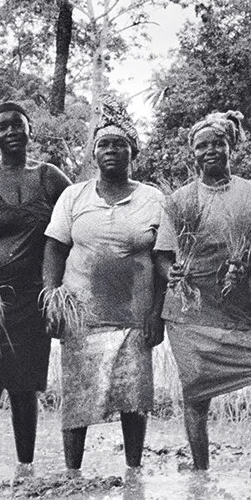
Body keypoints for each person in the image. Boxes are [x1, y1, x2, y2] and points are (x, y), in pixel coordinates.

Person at [153, 110, 251, 472]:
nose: (210, 150)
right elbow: (163, 255)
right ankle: (200, 471)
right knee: (196, 395)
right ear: (192, 153)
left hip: (240, 313)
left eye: (218, 143)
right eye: (202, 145)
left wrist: (246, 263)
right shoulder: (180, 200)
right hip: (190, 315)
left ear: (232, 147)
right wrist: (173, 272)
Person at [42, 99, 165, 470]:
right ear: (94, 153)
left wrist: (157, 313)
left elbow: (164, 263)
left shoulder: (153, 198)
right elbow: (54, 249)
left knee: (134, 399)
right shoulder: (74, 196)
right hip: (82, 317)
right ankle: (72, 472)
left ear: (133, 152)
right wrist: (52, 299)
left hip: (134, 317)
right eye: (104, 145)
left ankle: (133, 471)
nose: (111, 150)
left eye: (119, 144)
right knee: (78, 400)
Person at [0, 102, 71, 469]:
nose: (10, 132)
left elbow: (77, 215)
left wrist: (59, 288)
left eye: (17, 125)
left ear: (30, 130)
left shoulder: (50, 177)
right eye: (2, 127)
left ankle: (26, 467)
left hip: (32, 296)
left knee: (25, 387)